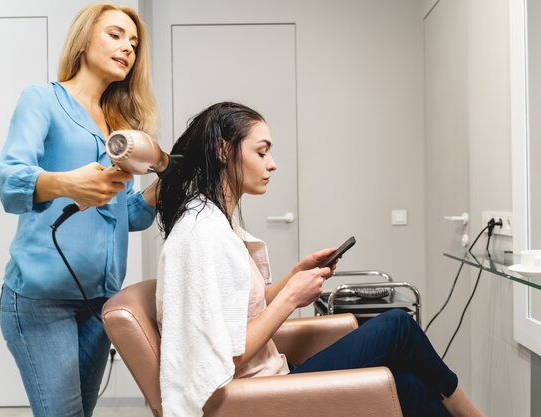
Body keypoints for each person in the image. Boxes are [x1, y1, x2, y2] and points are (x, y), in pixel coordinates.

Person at [155, 101, 487, 417]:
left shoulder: (214, 224)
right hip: (258, 395)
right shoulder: (202, 234)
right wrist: (291, 298)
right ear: (223, 150)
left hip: (273, 377)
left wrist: (295, 275)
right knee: (398, 326)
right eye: (261, 152)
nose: (272, 164)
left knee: (408, 386)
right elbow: (228, 353)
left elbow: (242, 311)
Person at [0, 4, 160, 416]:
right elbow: (9, 179)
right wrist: (69, 183)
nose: (127, 48)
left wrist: (167, 183)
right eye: (116, 35)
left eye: (134, 44)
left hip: (98, 301)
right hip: (40, 301)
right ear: (85, 41)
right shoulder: (42, 100)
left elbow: (130, 215)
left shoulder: (118, 125)